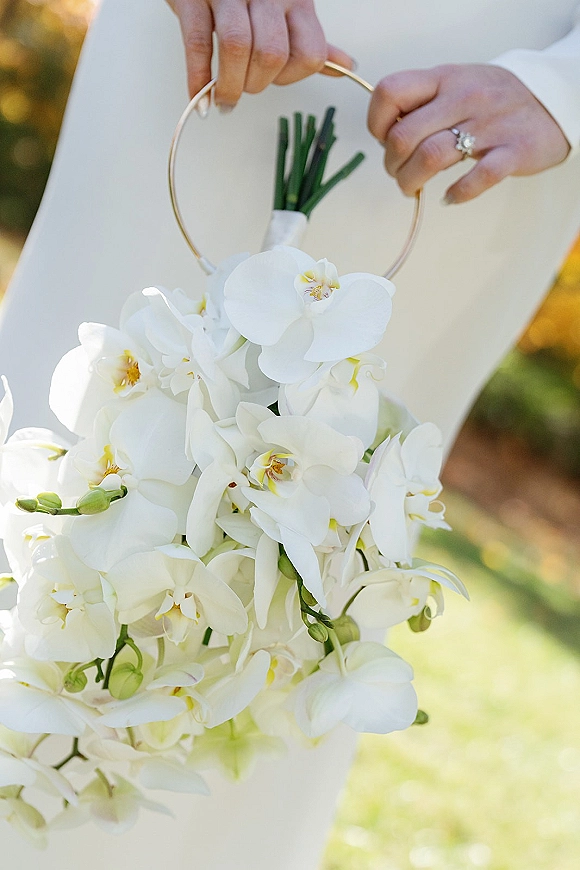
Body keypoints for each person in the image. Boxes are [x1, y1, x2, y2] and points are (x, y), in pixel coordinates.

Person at [0, 1, 579, 867]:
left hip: (481, 115)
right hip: (192, 47)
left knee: (316, 559)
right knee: (68, 411)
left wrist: (565, 88)